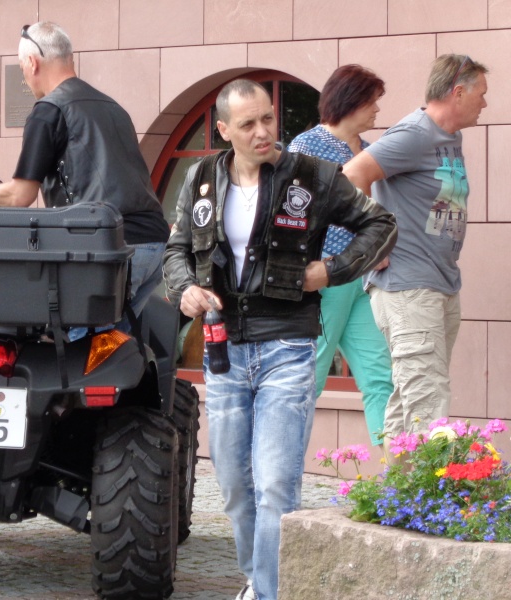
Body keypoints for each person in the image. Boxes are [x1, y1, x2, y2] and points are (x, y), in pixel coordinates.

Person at [162, 79, 397, 600]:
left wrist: (331, 270)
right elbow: (176, 248)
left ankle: (268, 593)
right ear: (224, 130)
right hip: (224, 351)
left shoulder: (311, 176)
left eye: (268, 118)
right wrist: (185, 291)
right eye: (248, 124)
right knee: (235, 490)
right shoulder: (201, 177)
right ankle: (258, 578)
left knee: (274, 485)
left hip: (287, 346)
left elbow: (379, 224)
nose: (264, 131)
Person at [0, 21, 170, 332]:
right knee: (111, 352)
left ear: (31, 62)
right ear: (70, 58)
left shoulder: (49, 110)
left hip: (109, 249)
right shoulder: (113, 107)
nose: (25, 78)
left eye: (21, 69)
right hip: (154, 244)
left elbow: (20, 197)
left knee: (79, 353)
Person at [343, 54, 489, 448]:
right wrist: (370, 243)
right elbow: (354, 174)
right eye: (481, 94)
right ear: (458, 93)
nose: (485, 103)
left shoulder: (447, 137)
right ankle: (433, 502)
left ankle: (396, 496)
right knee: (428, 395)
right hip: (408, 284)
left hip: (438, 281)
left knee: (410, 394)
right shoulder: (414, 134)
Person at [287, 65, 393, 447]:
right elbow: (291, 216)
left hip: (362, 283)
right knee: (309, 378)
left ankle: (396, 482)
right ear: (352, 101)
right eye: (373, 101)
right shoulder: (306, 147)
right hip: (326, 280)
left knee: (382, 377)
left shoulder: (368, 151)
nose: (377, 110)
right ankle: (282, 473)